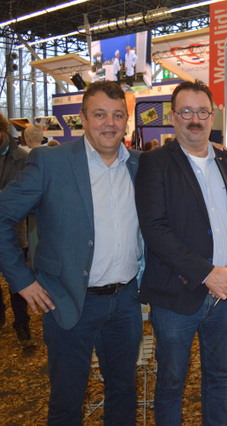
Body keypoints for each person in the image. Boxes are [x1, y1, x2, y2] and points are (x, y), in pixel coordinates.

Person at [0, 81, 143, 425]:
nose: (109, 123)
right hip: (67, 300)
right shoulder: (51, 162)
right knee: (67, 399)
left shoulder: (140, 165)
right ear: (83, 118)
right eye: (99, 114)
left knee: (124, 392)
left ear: (126, 121)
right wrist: (22, 281)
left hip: (126, 302)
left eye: (117, 115)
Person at [135, 80, 227, 425]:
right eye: (186, 112)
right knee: (171, 382)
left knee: (218, 376)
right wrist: (208, 274)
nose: (195, 119)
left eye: (202, 112)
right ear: (173, 117)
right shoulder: (155, 164)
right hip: (176, 297)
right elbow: (155, 229)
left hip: (224, 294)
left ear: (212, 115)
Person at [0, 112, 35, 349]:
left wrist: (5, 198)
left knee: (16, 280)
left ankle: (22, 325)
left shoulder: (21, 158)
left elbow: (29, 199)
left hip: (14, 231)